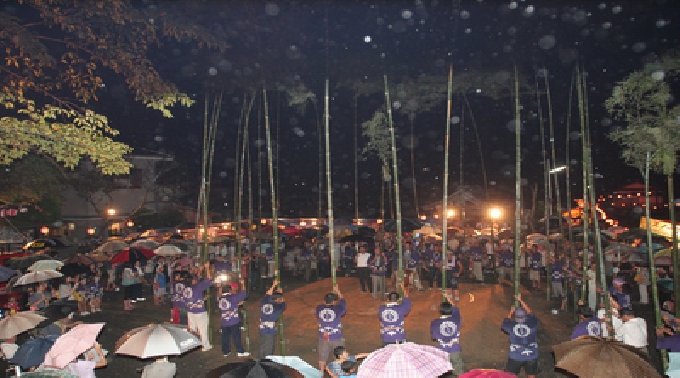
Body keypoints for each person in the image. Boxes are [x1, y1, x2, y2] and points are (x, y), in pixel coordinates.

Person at [502, 294, 539, 378]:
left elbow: (506, 321)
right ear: (526, 316)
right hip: (532, 354)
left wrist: (511, 311)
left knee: (509, 375)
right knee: (532, 375)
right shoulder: (532, 323)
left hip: (516, 355)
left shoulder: (511, 325)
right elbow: (530, 312)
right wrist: (521, 300)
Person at [316, 285, 347, 373]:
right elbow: (343, 301)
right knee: (340, 356)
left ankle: (321, 374)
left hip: (323, 336)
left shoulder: (319, 308)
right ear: (334, 301)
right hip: (336, 336)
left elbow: (323, 305)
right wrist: (338, 291)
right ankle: (339, 374)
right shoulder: (338, 309)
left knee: (322, 358)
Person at [430, 296, 464, 377]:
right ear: (451, 310)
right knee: (458, 369)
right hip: (455, 348)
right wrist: (448, 298)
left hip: (442, 350)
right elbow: (456, 308)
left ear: (440, 311)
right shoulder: (456, 319)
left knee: (441, 371)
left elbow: (434, 337)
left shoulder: (435, 322)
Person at [184, 262, 213, 352]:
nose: (196, 280)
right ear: (193, 281)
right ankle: (205, 346)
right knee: (202, 329)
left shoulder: (186, 289)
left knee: (192, 328)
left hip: (190, 310)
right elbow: (209, 279)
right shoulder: (197, 287)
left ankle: (192, 344)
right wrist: (208, 268)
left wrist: (201, 299)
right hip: (199, 312)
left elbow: (192, 298)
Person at [218, 278, 249, 357]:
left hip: (224, 321)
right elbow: (244, 294)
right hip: (233, 321)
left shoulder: (220, 299)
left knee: (225, 337)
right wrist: (242, 284)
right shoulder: (232, 297)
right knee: (236, 336)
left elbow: (229, 305)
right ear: (230, 290)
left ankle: (226, 351)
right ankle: (240, 351)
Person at [259, 279, 287, 358]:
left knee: (262, 346)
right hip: (269, 330)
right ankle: (266, 364)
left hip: (262, 328)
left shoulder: (264, 301)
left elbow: (268, 293)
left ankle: (261, 360)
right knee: (269, 348)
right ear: (277, 299)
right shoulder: (277, 307)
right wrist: (281, 294)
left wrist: (274, 285)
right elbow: (283, 304)